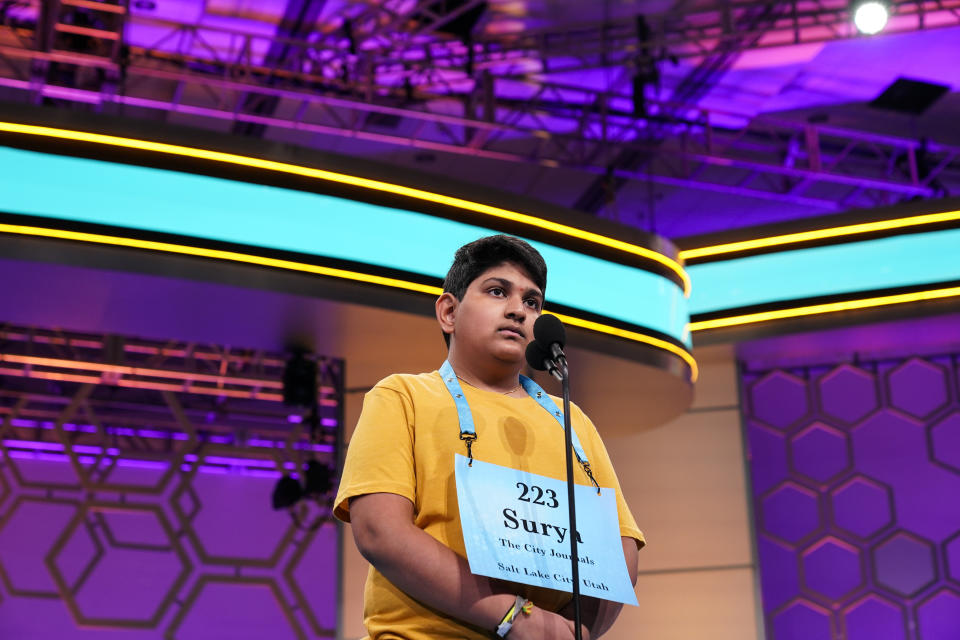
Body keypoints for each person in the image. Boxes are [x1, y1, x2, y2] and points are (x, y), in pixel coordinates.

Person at [334, 234, 642, 639]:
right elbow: (379, 530)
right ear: (448, 312)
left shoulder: (573, 420)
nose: (518, 310)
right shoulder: (402, 396)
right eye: (498, 292)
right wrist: (512, 617)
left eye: (532, 302)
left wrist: (572, 632)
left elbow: (620, 553)